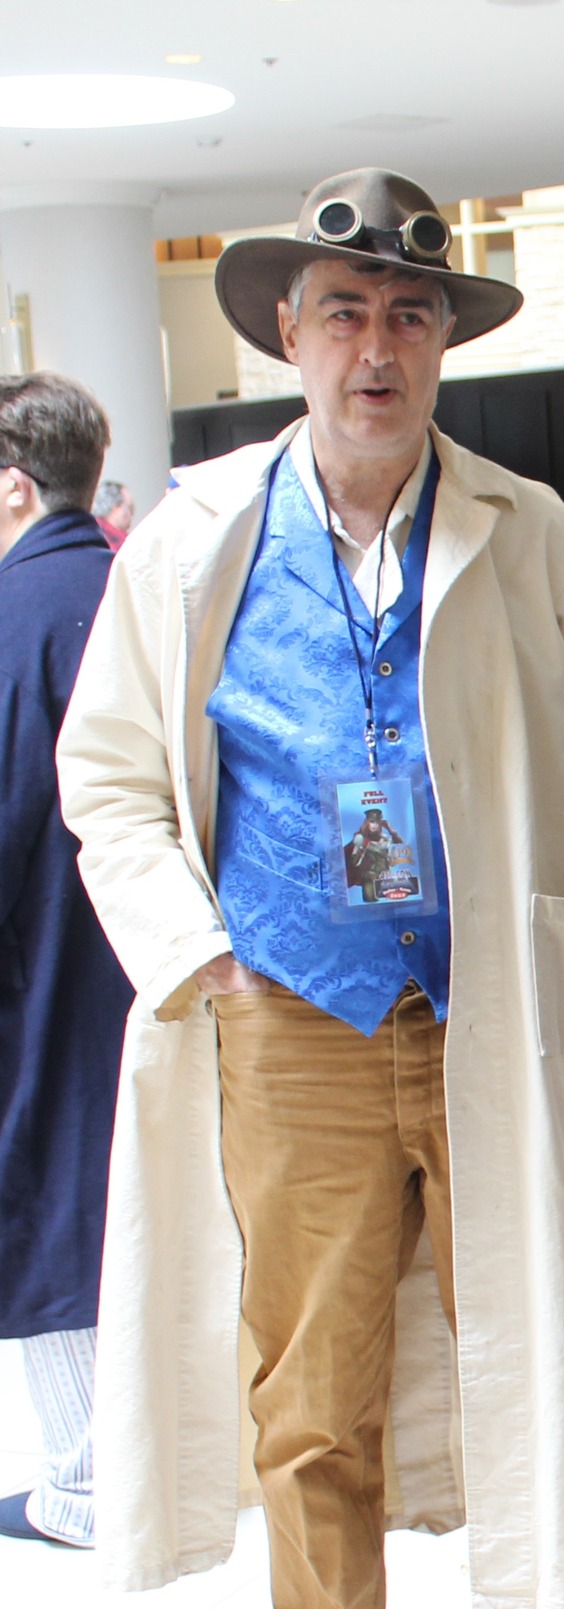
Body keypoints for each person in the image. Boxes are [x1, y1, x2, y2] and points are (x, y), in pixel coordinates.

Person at [58, 167, 564, 1609]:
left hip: (487, 1009)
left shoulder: (529, 533)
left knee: (543, 1326)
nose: (375, 348)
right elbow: (110, 775)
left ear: (442, 342)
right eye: (343, 315)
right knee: (306, 1367)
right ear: (286, 336)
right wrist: (201, 953)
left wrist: (515, 921)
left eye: (407, 315)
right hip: (288, 1012)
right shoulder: (192, 541)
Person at [0, 373, 132, 1549]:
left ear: (12, 486)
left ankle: (84, 1482)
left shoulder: (13, 613)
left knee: (50, 1193)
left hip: (41, 958)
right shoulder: (130, 588)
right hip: (150, 957)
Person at [92, 478, 134, 552]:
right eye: (130, 508)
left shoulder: (88, 529)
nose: (131, 515)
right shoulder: (122, 544)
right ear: (116, 507)